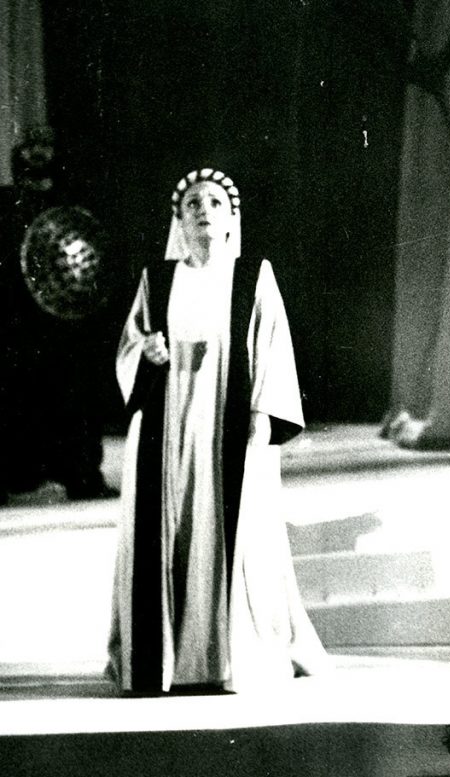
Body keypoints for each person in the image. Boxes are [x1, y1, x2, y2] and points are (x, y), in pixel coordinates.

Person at [107, 168, 329, 694]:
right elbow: (129, 345)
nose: (203, 210)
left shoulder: (253, 275)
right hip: (169, 423)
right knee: (172, 529)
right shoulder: (157, 278)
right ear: (179, 222)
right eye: (192, 204)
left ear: (231, 219)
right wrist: (146, 351)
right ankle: (170, 661)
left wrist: (262, 414)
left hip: (230, 419)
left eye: (214, 203)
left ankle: (229, 657)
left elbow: (272, 344)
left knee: (235, 532)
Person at [0, 128, 116, 503]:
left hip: (68, 325)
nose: (37, 154)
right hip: (16, 322)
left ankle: (82, 476)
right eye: (30, 147)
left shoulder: (75, 203)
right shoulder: (4, 206)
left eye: (45, 146)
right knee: (14, 399)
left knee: (75, 399)